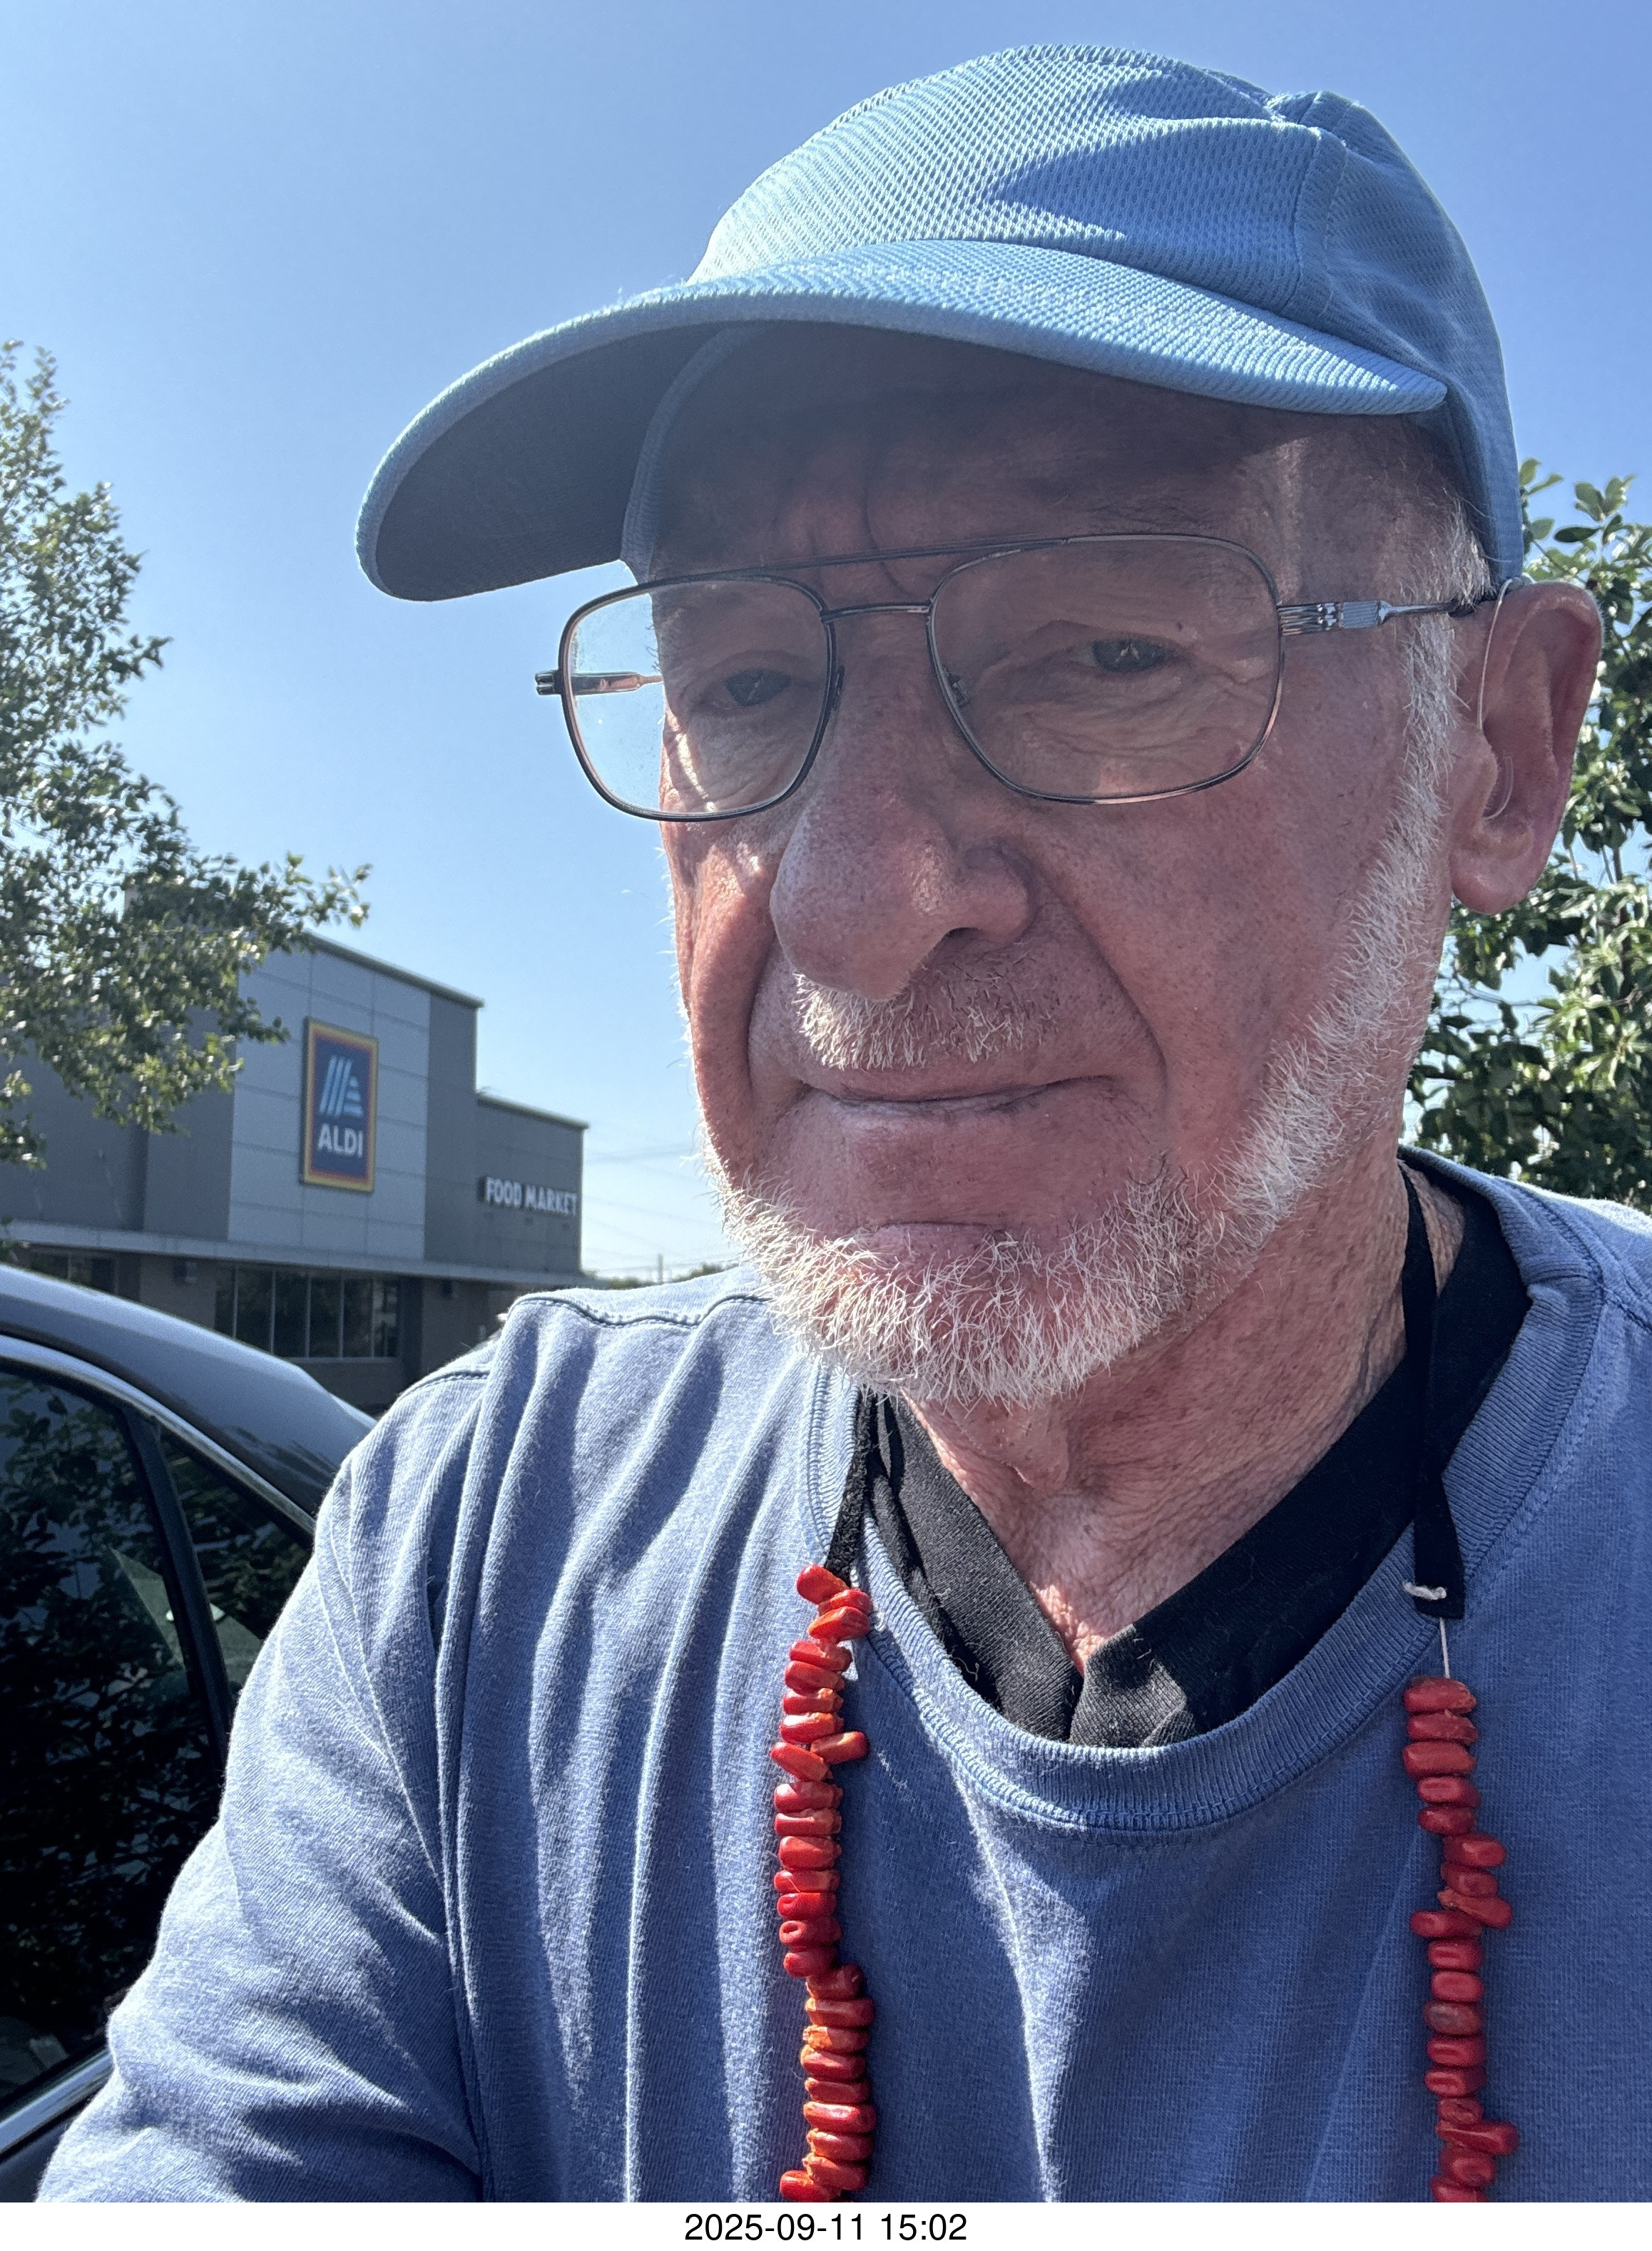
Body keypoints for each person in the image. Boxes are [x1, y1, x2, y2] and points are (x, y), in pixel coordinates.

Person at [43, 46, 1645, 2205]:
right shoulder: (487, 1543)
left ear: (1501, 750)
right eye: (743, 685)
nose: (855, 900)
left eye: (1101, 650)